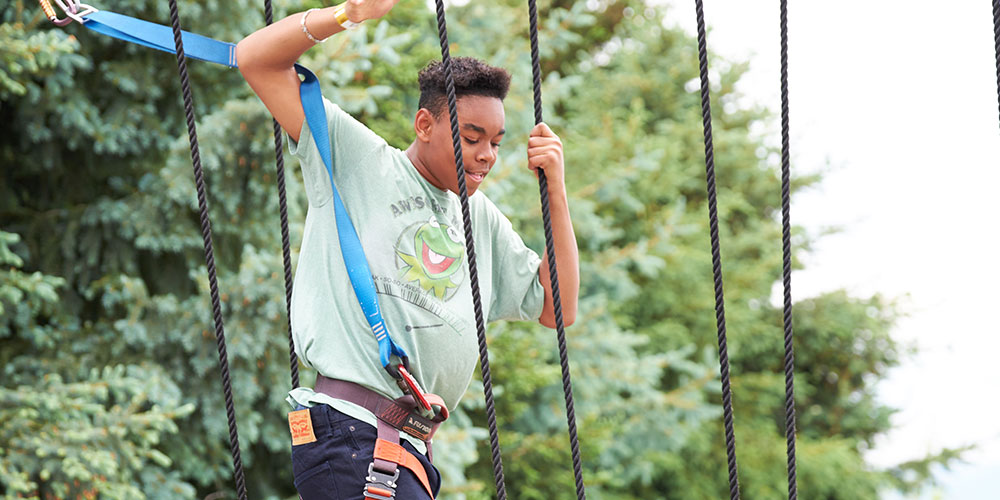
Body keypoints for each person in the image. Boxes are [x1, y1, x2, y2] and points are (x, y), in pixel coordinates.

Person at [236, 1, 579, 498]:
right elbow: (255, 60)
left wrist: (556, 192)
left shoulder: (479, 218)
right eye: (471, 137)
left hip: (405, 449)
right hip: (351, 432)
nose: (486, 155)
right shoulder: (361, 161)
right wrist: (347, 14)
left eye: (497, 143)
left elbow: (558, 307)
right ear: (424, 125)